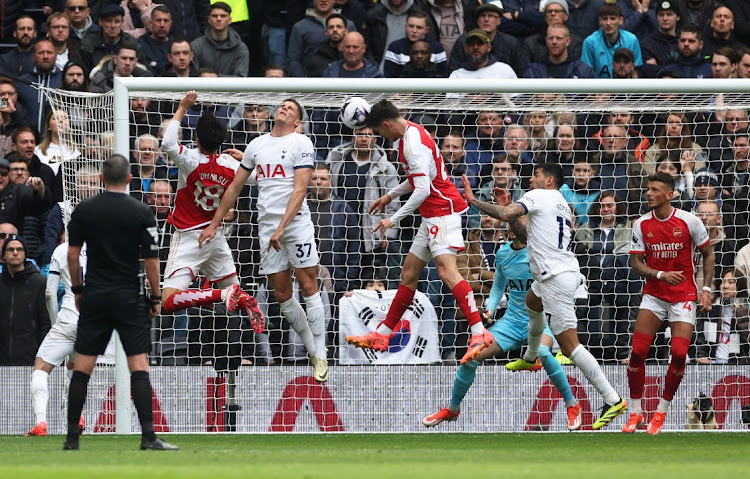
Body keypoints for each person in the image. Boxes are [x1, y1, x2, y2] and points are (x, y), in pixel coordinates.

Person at [460, 163, 628, 430]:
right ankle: (530, 356)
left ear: (549, 180)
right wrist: (510, 210)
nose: (531, 178)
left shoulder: (539, 195)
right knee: (532, 303)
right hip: (554, 274)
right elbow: (527, 234)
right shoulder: (559, 200)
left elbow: (504, 214)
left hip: (556, 277)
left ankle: (613, 398)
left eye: (535, 174)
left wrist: (472, 200)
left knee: (571, 346)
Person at [344, 100, 494, 365]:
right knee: (409, 273)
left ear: (387, 124)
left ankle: (479, 331)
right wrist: (390, 195)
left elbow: (423, 189)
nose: (381, 137)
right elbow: (417, 179)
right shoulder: (409, 133)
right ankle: (383, 334)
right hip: (431, 213)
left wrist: (394, 218)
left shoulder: (412, 144)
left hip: (442, 212)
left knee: (448, 273)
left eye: (379, 132)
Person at [199, 97, 329, 383]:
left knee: (308, 284)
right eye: (282, 105)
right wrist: (214, 223)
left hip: (294, 226)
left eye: (291, 108)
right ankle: (311, 348)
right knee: (282, 295)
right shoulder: (256, 145)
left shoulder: (301, 143)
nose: (284, 108)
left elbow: (299, 189)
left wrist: (282, 227)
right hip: (266, 227)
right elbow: (236, 187)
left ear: (298, 122)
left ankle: (320, 350)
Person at [423, 218, 583, 431]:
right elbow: (498, 285)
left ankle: (572, 405)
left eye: (520, 223)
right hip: (512, 322)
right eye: (511, 224)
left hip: (542, 320)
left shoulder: (542, 252)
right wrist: (490, 306)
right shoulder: (503, 254)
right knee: (471, 356)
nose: (514, 227)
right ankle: (453, 409)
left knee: (544, 353)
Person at [62, 154, 177, 451]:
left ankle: (72, 438)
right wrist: (154, 296)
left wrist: (77, 289)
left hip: (96, 295)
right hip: (128, 295)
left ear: (101, 179)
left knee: (83, 366)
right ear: (129, 179)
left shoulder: (84, 211)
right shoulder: (141, 211)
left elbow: (73, 255)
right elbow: (152, 260)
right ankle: (148, 437)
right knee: (138, 365)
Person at [157, 91, 262, 329]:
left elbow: (167, 143)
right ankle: (243, 302)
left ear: (196, 138)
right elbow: (258, 177)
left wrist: (183, 107)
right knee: (235, 290)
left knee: (168, 301)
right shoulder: (232, 165)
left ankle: (219, 296)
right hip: (216, 236)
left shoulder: (190, 160)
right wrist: (245, 158)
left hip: (189, 237)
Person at [623, 171, 714, 435]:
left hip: (684, 295)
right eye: (647, 189)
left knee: (678, 354)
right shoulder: (641, 224)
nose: (648, 193)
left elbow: (708, 254)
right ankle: (636, 412)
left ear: (669, 194)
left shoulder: (690, 221)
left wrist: (706, 288)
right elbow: (636, 264)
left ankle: (661, 410)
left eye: (654, 190)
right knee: (638, 353)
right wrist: (660, 274)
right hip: (654, 294)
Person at [26, 241, 87, 437]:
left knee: (41, 368)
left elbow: (50, 293)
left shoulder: (61, 250)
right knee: (74, 366)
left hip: (69, 318)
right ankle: (77, 416)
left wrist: (55, 325)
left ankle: (40, 422)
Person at [0, 234, 51, 366]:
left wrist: (41, 357)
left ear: (25, 254)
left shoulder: (39, 283)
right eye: (10, 249)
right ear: (4, 255)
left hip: (30, 360)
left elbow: (46, 323)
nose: (15, 253)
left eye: (19, 249)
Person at [581, 3, 643, 78]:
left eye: (612, 18)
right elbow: (586, 73)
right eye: (604, 19)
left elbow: (635, 70)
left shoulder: (632, 40)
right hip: (598, 88)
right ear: (600, 21)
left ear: (621, 20)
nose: (608, 23)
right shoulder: (590, 42)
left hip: (626, 87)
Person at [190, 2, 249, 77]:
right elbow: (193, 76)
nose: (219, 19)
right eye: (214, 16)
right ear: (209, 20)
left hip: (230, 89)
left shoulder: (241, 48)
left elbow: (240, 78)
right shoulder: (196, 46)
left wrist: (215, 78)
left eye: (223, 16)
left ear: (230, 20)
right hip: (202, 88)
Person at [383, 10, 448, 78]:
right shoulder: (395, 48)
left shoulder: (437, 48)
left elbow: (443, 77)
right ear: (406, 27)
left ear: (427, 30)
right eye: (411, 26)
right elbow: (389, 79)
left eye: (419, 27)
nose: (414, 31)